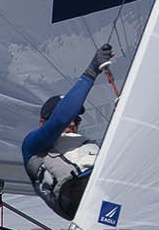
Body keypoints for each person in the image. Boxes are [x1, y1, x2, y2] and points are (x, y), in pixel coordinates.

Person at [21, 44, 113, 220]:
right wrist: (91, 73)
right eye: (71, 117)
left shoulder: (89, 143)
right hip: (75, 193)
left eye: (76, 119)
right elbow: (61, 120)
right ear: (42, 123)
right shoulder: (32, 147)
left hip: (104, 190)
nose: (71, 122)